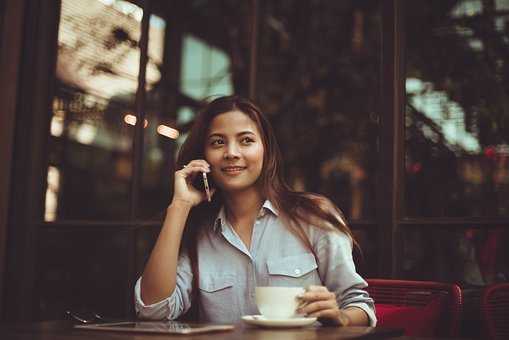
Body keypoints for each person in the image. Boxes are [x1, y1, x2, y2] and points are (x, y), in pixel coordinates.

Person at [134, 95, 376, 326]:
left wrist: (341, 317)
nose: (231, 153)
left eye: (246, 140)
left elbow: (360, 306)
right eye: (218, 142)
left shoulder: (312, 216)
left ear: (265, 150)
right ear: (204, 156)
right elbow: (152, 310)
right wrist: (179, 207)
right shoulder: (199, 233)